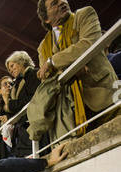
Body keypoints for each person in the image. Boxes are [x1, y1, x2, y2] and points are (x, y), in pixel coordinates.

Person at [30, 0, 120, 141]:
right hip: (73, 112)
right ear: (46, 18)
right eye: (54, 3)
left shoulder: (84, 14)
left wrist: (52, 62)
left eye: (62, 0)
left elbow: (88, 43)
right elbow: (45, 77)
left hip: (106, 94)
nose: (62, 2)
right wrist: (70, 71)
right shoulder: (43, 47)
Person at [4, 51, 49, 156]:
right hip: (22, 133)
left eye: (12, 65)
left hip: (31, 126)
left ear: (22, 61)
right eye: (9, 69)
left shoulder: (34, 74)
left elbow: (31, 98)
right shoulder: (17, 85)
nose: (10, 70)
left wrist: (9, 105)